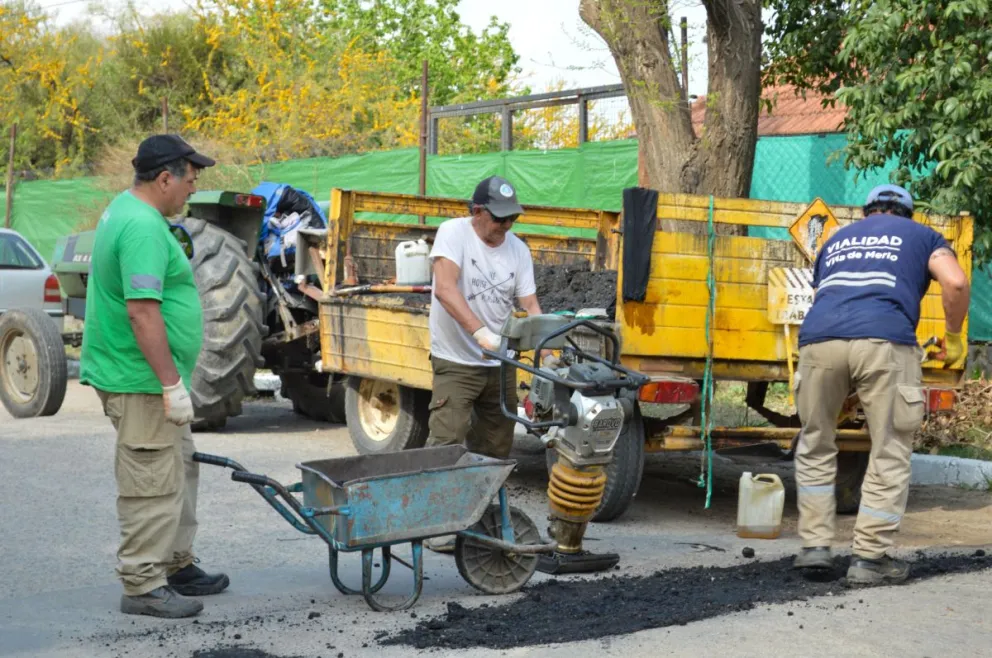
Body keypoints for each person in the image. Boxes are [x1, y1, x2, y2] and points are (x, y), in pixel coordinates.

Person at [80, 134, 229, 618]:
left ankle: (174, 562)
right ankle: (144, 583)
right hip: (140, 381)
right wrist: (170, 384)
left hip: (147, 377)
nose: (192, 187)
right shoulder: (142, 227)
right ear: (165, 178)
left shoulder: (130, 211)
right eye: (189, 178)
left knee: (178, 468)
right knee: (151, 479)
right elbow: (143, 314)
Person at [791, 184, 970, 585]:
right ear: (906, 214)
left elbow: (822, 294)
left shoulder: (835, 240)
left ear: (867, 211)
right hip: (886, 341)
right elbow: (955, 283)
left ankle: (815, 548)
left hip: (819, 341)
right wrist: (955, 338)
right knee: (889, 447)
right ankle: (869, 560)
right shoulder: (924, 236)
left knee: (817, 441)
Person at [424, 176, 547, 551]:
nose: (506, 226)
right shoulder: (454, 233)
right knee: (447, 440)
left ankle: (474, 517)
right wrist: (480, 333)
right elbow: (445, 288)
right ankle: (434, 525)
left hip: (500, 365)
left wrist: (549, 348)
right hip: (456, 359)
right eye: (499, 219)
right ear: (476, 212)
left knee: (495, 446)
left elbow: (530, 306)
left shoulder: (518, 251)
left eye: (512, 219)